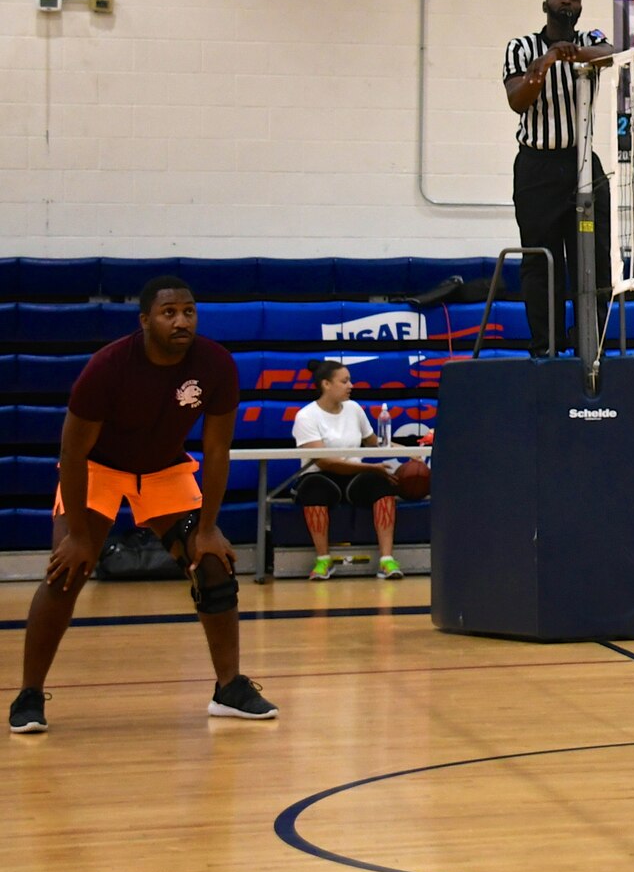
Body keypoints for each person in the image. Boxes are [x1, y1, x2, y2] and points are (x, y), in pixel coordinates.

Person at [10, 278, 278, 734]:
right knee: (66, 572)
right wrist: (77, 535)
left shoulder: (215, 364)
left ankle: (229, 688)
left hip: (163, 472)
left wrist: (209, 527)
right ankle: (29, 695)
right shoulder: (109, 366)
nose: (181, 321)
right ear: (145, 321)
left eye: (188, 312)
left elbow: (216, 451)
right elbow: (72, 454)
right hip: (98, 469)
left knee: (213, 568)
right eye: (168, 312)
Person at [503, 0, 615, 357]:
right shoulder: (521, 47)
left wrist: (573, 53)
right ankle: (545, 347)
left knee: (595, 258)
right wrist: (548, 61)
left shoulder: (590, 38)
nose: (566, 0)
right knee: (541, 261)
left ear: (579, 8)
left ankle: (590, 343)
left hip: (583, 162)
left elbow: (610, 50)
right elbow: (518, 101)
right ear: (545, 4)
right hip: (538, 167)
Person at [290, 361, 403, 580]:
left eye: (350, 380)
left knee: (381, 486)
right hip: (320, 475)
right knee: (314, 490)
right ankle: (323, 561)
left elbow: (375, 443)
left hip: (353, 476)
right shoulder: (306, 416)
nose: (350, 385)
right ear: (326, 384)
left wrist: (411, 451)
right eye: (344, 381)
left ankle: (387, 560)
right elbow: (326, 462)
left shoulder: (354, 409)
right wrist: (371, 467)